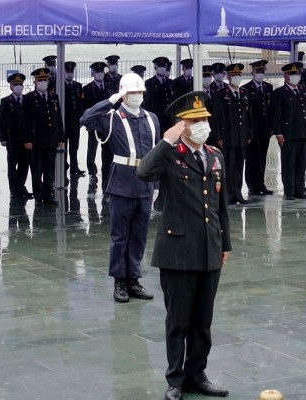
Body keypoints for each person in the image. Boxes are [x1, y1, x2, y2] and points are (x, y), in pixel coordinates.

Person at [137, 91, 231, 400]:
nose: (203, 124)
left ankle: (197, 375)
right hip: (177, 252)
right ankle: (175, 380)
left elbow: (221, 205)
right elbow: (143, 172)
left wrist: (224, 244)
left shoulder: (215, 155)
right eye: (195, 120)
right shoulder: (169, 155)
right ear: (181, 125)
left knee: (203, 322)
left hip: (209, 250)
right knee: (178, 321)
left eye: (204, 118)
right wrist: (165, 141)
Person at [80, 73, 158, 303]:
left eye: (139, 92)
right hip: (122, 183)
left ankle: (133, 279)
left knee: (139, 235)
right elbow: (85, 119)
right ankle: (119, 282)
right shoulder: (111, 117)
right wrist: (112, 99)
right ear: (123, 94)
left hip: (145, 183)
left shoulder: (151, 118)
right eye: (132, 92)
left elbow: (156, 153)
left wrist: (157, 184)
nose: (137, 96)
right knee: (119, 236)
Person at [23, 67, 65, 206]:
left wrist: (61, 138)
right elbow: (25, 121)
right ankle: (38, 197)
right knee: (37, 169)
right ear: (34, 82)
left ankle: (48, 195)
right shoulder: (29, 98)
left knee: (49, 169)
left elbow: (58, 118)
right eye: (39, 80)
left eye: (45, 80)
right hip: (36, 141)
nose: (42, 82)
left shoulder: (53, 97)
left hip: (51, 139)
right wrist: (27, 139)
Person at [272, 62, 306, 200]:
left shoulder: (304, 90)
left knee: (301, 162)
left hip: (303, 132)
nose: (295, 76)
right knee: (289, 163)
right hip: (288, 134)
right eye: (292, 74)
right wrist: (278, 132)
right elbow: (276, 115)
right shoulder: (280, 93)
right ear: (286, 76)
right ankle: (289, 191)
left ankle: (299, 189)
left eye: (297, 74)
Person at [213, 63, 253, 204]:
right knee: (228, 167)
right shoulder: (221, 94)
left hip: (242, 136)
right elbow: (217, 117)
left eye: (239, 75)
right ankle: (229, 194)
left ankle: (238, 193)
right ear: (228, 76)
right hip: (227, 136)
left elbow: (249, 116)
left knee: (239, 166)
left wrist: (250, 134)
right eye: (234, 75)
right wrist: (218, 136)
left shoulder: (244, 93)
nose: (237, 77)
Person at [242, 60, 274, 195]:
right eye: (258, 71)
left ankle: (261, 183)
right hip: (252, 129)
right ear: (252, 73)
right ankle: (251, 184)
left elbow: (271, 108)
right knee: (251, 158)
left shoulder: (268, 87)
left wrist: (272, 127)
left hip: (265, 129)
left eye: (262, 71)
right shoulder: (246, 88)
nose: (260, 74)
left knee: (263, 157)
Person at [0, 73, 32, 199]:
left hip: (26, 139)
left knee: (24, 165)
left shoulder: (28, 100)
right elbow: (1, 120)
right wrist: (3, 138)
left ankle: (21, 187)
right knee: (12, 166)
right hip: (12, 139)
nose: (18, 86)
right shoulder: (6, 101)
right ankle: (14, 190)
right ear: (11, 86)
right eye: (15, 84)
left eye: (20, 84)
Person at [81, 62, 112, 187]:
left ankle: (106, 172)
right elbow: (84, 106)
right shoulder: (87, 88)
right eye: (97, 71)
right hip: (93, 124)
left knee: (107, 150)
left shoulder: (109, 86)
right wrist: (87, 123)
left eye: (101, 71)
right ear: (93, 73)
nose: (99, 73)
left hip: (106, 123)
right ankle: (92, 173)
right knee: (92, 149)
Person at [63, 62, 85, 176]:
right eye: (68, 71)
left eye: (71, 71)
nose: (70, 73)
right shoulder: (59, 85)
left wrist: (81, 118)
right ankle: (63, 166)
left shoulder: (78, 86)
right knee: (63, 147)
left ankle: (74, 167)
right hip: (64, 121)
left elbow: (80, 103)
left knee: (74, 146)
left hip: (75, 122)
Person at [144, 56, 176, 132]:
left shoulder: (170, 82)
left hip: (168, 117)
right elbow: (148, 102)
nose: (162, 69)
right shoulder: (149, 83)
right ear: (155, 68)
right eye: (160, 66)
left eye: (164, 66)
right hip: (156, 116)